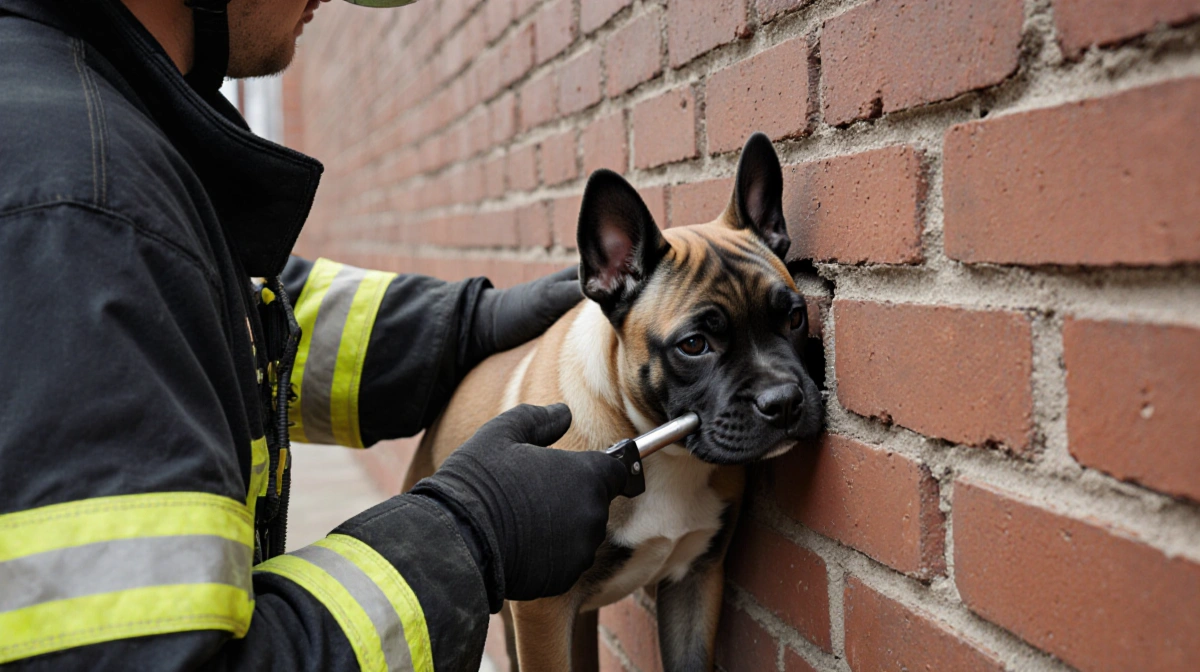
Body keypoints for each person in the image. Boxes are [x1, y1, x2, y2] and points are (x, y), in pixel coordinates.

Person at [0, 0, 629, 669]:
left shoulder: (76, 133)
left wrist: (460, 327)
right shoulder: (82, 209)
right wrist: (467, 535)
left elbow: (219, 319)